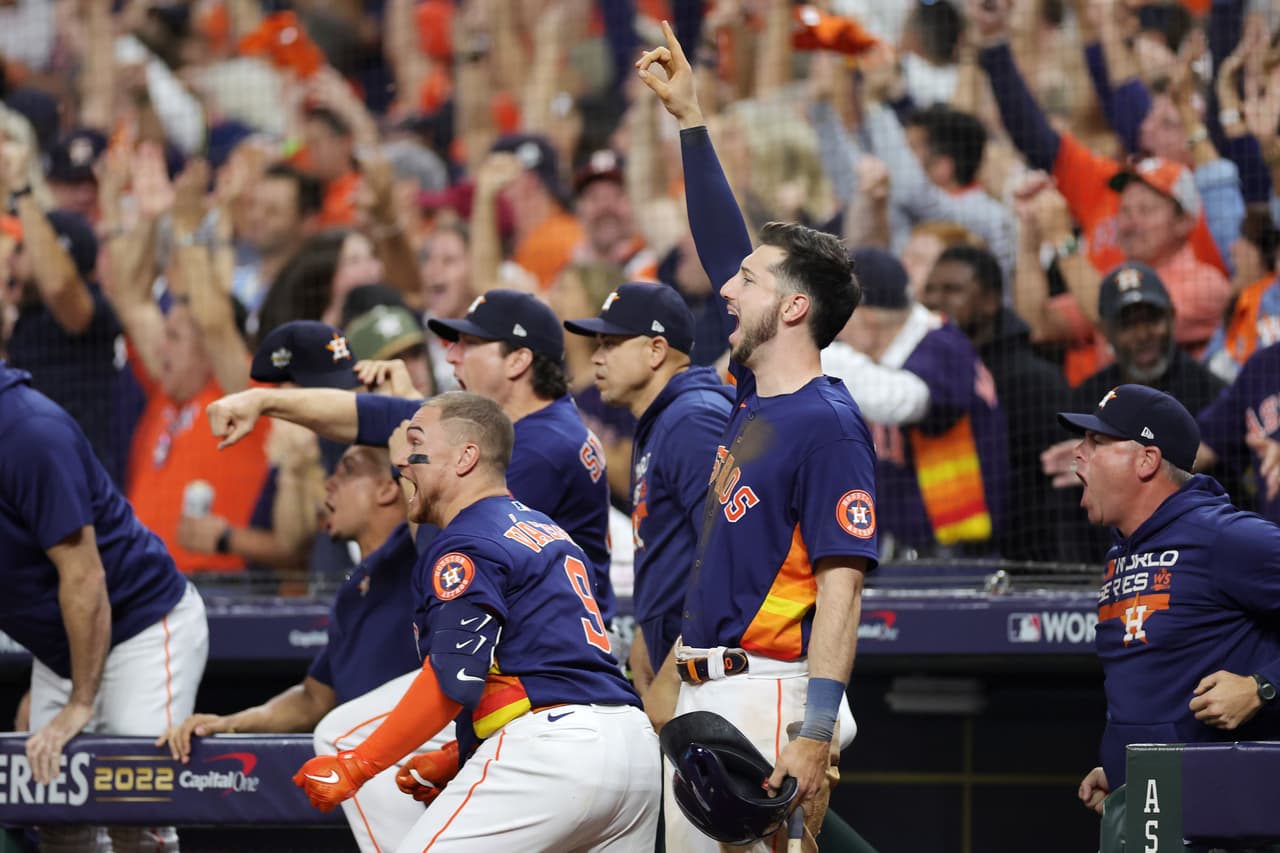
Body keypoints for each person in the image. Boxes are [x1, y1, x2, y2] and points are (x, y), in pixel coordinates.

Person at [638, 23, 874, 851]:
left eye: (748, 281)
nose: (727, 287)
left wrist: (813, 730)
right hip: (710, 686)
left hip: (770, 693)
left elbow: (841, 590)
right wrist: (690, 119)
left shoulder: (830, 424)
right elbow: (721, 241)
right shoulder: (754, 394)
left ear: (796, 308)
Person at [290, 392, 661, 850]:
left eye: (416, 442)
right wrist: (453, 754)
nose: (401, 461)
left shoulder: (468, 540)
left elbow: (452, 680)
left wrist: (357, 765)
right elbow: (545, 667)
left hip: (557, 751)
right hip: (632, 752)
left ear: (466, 457)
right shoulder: (545, 530)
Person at [205, 289, 615, 621]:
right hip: (533, 639)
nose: (451, 355)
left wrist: (411, 462)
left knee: (347, 726)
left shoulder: (540, 447)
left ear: (519, 360)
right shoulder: (516, 425)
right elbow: (367, 414)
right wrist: (262, 402)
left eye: (470, 344)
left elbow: (447, 559)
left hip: (554, 663)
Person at [158, 444, 435, 853]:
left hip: (430, 765)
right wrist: (230, 722)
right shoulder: (352, 592)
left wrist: (405, 459)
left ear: (386, 489)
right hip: (371, 778)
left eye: (348, 471)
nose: (330, 483)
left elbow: (427, 490)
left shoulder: (419, 552)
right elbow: (312, 697)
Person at [0, 362, 208, 853]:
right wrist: (57, 676)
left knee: (133, 810)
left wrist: (79, 702)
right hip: (65, 643)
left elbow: (85, 575)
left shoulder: (29, 431)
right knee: (57, 817)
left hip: (141, 623)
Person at [1058, 385, 1280, 813]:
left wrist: (1262, 687)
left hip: (1228, 817)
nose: (1078, 454)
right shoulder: (1120, 552)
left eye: (1097, 442)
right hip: (1153, 806)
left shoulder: (1225, 538)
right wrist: (1121, 769)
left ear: (1146, 460)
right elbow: (1153, 684)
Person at [563, 282, 734, 696]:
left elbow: (730, 555)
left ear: (656, 350)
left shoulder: (693, 422)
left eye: (610, 344)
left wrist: (676, 673)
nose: (596, 357)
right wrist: (646, 629)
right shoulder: (665, 418)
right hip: (686, 657)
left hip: (710, 670)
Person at [840, 247, 1009, 557]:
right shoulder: (902, 347)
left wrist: (814, 359)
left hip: (955, 555)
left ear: (867, 317)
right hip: (898, 549)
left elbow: (909, 401)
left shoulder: (942, 344)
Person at [920, 245, 1071, 561]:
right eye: (930, 289)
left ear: (989, 302)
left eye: (953, 290)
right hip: (943, 553)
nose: (934, 300)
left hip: (1027, 561)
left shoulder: (1034, 380)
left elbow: (1053, 488)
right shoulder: (919, 373)